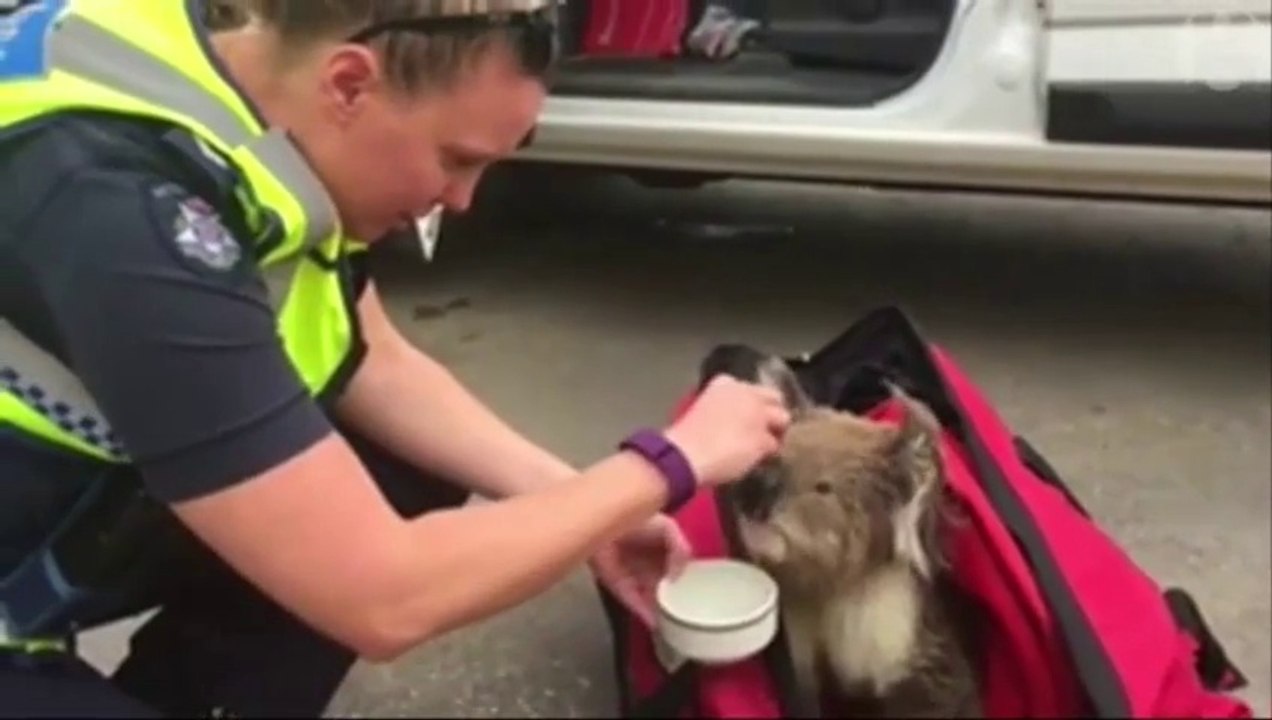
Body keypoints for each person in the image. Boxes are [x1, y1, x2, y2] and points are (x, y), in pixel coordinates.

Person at [0, 0, 791, 716]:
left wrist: (588, 512)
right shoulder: (122, 215)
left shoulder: (224, 82)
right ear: (349, 83)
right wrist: (667, 463)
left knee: (397, 458)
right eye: (454, 158)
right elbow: (383, 595)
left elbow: (372, 358)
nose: (462, 201)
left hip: (37, 530)